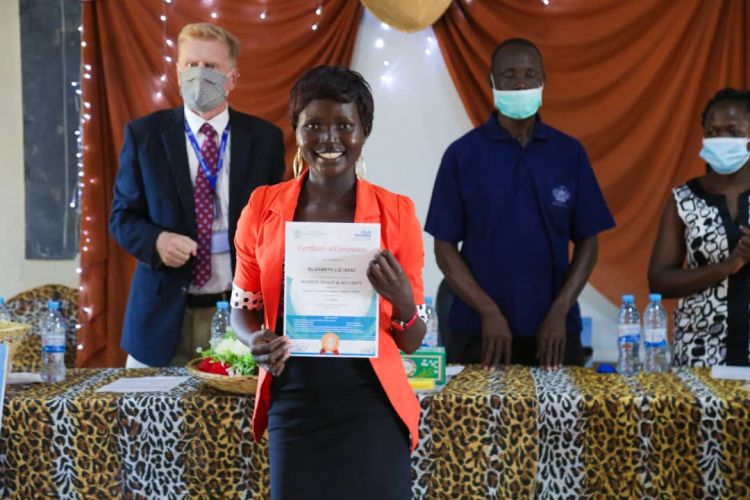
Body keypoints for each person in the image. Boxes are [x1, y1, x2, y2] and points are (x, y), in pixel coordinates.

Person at [231, 66, 426, 499]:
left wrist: (403, 302)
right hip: (294, 402)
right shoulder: (262, 208)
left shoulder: (396, 213)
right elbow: (241, 308)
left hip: (373, 406)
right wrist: (254, 340)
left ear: (364, 130)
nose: (329, 138)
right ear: (296, 129)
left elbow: (413, 340)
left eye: (344, 125)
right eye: (313, 125)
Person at [425, 38, 615, 370]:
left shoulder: (569, 153)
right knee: (479, 422)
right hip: (480, 332)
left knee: (561, 422)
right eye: (510, 75)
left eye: (530, 74)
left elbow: (589, 241)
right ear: (491, 82)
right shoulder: (462, 155)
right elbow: (443, 247)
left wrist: (559, 311)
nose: (521, 83)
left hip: (554, 332)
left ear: (543, 81)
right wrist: (487, 310)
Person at [109, 23, 285, 367]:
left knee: (228, 421)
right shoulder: (145, 135)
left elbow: (274, 223)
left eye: (211, 67)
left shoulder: (264, 139)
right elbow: (122, 217)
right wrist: (156, 241)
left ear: (232, 78)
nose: (199, 75)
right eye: (191, 65)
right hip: (159, 319)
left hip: (237, 317)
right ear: (177, 71)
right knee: (151, 417)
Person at [649, 88, 750, 367]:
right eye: (713, 132)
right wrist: (726, 267)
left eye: (733, 131)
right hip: (700, 354)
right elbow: (658, 281)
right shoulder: (683, 199)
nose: (722, 140)